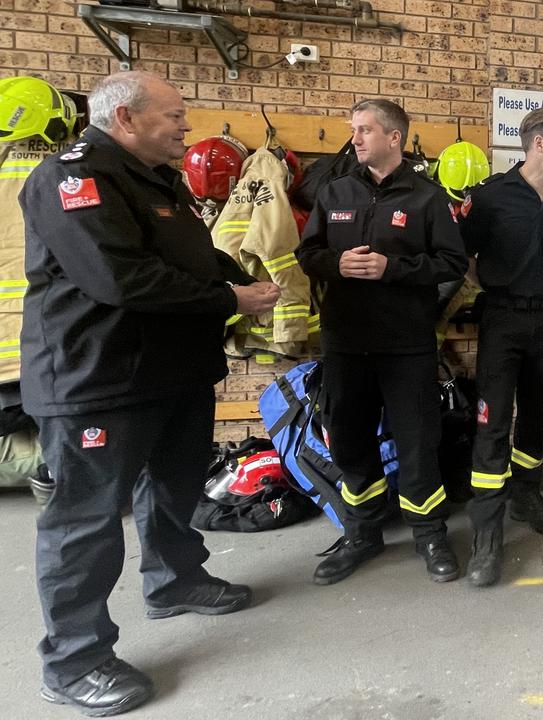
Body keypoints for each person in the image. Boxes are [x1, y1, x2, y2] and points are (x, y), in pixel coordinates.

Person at [19, 71, 280, 717]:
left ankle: (174, 581)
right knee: (86, 523)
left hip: (173, 374)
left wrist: (238, 277)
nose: (186, 126)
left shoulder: (161, 180)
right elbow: (120, 278)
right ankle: (74, 661)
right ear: (127, 118)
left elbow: (190, 255)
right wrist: (229, 299)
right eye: (175, 114)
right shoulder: (73, 179)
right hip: (98, 381)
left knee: (174, 486)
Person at [296, 99, 468, 586]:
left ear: (395, 138)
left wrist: (392, 269)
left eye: (366, 130)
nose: (355, 138)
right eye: (354, 130)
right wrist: (337, 264)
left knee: (417, 443)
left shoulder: (427, 198)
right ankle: (363, 533)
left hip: (406, 345)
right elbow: (307, 254)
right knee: (349, 441)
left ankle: (430, 534)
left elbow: (452, 265)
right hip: (346, 343)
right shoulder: (335, 193)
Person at [459, 107, 543, 586]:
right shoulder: (490, 196)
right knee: (493, 422)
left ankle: (526, 493)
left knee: (538, 412)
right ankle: (486, 535)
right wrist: (498, 284)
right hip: (503, 317)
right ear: (538, 144)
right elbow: (464, 257)